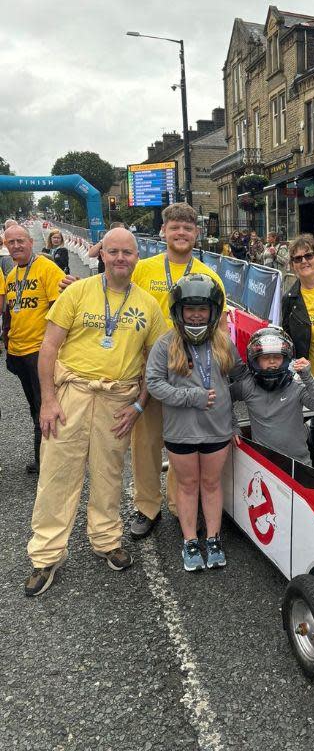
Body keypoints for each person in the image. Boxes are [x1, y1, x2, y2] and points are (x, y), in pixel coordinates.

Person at [24, 228, 167, 596]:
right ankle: (46, 554)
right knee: (57, 473)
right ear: (101, 254)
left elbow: (155, 362)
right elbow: (49, 347)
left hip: (118, 399)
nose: (121, 258)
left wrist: (139, 405)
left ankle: (106, 540)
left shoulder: (148, 305)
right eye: (114, 252)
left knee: (109, 475)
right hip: (72, 393)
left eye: (128, 253)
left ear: (137, 257)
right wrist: (49, 399)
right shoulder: (77, 292)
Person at [126, 202, 225, 541]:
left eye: (188, 227)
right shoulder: (143, 269)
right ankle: (146, 505)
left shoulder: (210, 275)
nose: (181, 233)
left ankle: (176, 503)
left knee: (181, 441)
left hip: (190, 376)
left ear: (196, 234)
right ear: (164, 232)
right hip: (149, 370)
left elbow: (220, 327)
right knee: (147, 441)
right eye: (175, 227)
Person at [145, 275, 238, 571]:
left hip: (217, 429)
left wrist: (234, 422)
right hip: (181, 432)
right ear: (178, 311)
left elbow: (231, 386)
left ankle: (212, 537)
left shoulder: (223, 343)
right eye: (190, 309)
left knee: (211, 483)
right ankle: (189, 540)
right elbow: (154, 384)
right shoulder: (165, 345)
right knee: (187, 485)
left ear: (213, 312)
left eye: (202, 309)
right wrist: (190, 397)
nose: (196, 315)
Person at [3, 224, 67, 473]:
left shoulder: (47, 268)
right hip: (18, 352)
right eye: (11, 242)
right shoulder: (11, 276)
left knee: (46, 405)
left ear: (31, 242)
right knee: (34, 406)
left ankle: (48, 462)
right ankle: (43, 456)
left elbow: (58, 311)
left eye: (21, 241)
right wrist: (8, 345)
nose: (16, 246)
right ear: (6, 246)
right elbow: (10, 314)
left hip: (39, 352)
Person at [232, 326, 314, 465]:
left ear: (286, 359)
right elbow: (223, 399)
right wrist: (233, 425)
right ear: (255, 360)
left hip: (299, 462)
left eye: (277, 357)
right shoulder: (248, 386)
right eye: (266, 357)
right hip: (264, 465)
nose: (272, 362)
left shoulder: (296, 384)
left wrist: (308, 377)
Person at [280, 234, 314, 382]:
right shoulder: (289, 299)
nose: (304, 261)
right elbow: (289, 343)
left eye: (308, 255)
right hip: (313, 380)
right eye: (298, 258)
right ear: (292, 264)